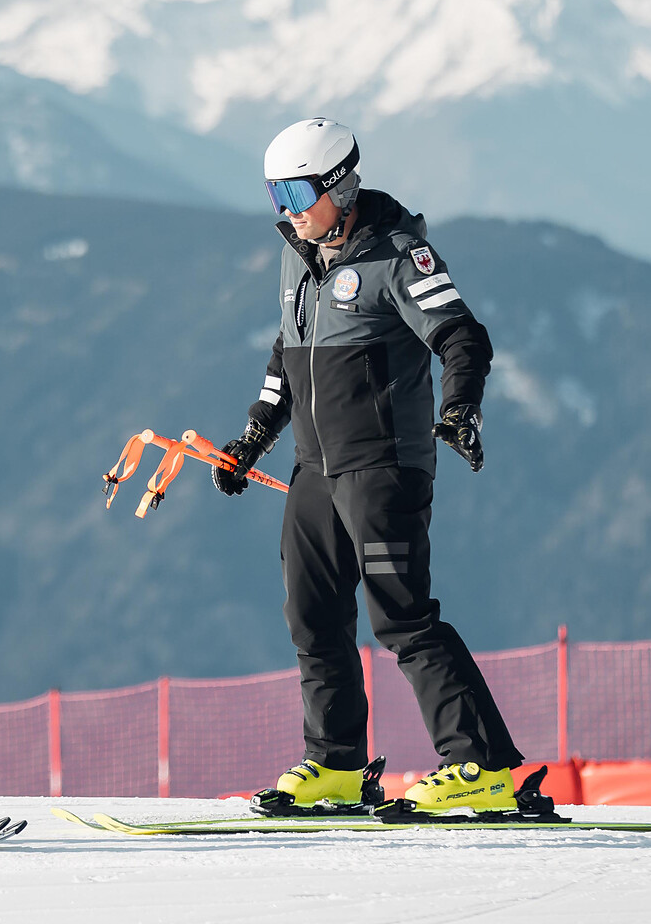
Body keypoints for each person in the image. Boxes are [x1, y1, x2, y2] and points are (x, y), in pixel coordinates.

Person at [214, 118, 523, 815]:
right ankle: (335, 765)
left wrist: (462, 409)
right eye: (274, 195)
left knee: (403, 619)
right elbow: (284, 357)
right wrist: (252, 438)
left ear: (338, 184)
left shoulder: (398, 256)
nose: (286, 210)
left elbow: (461, 336)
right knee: (312, 618)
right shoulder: (297, 254)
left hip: (384, 466)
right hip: (315, 468)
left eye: (295, 191)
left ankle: (482, 767)